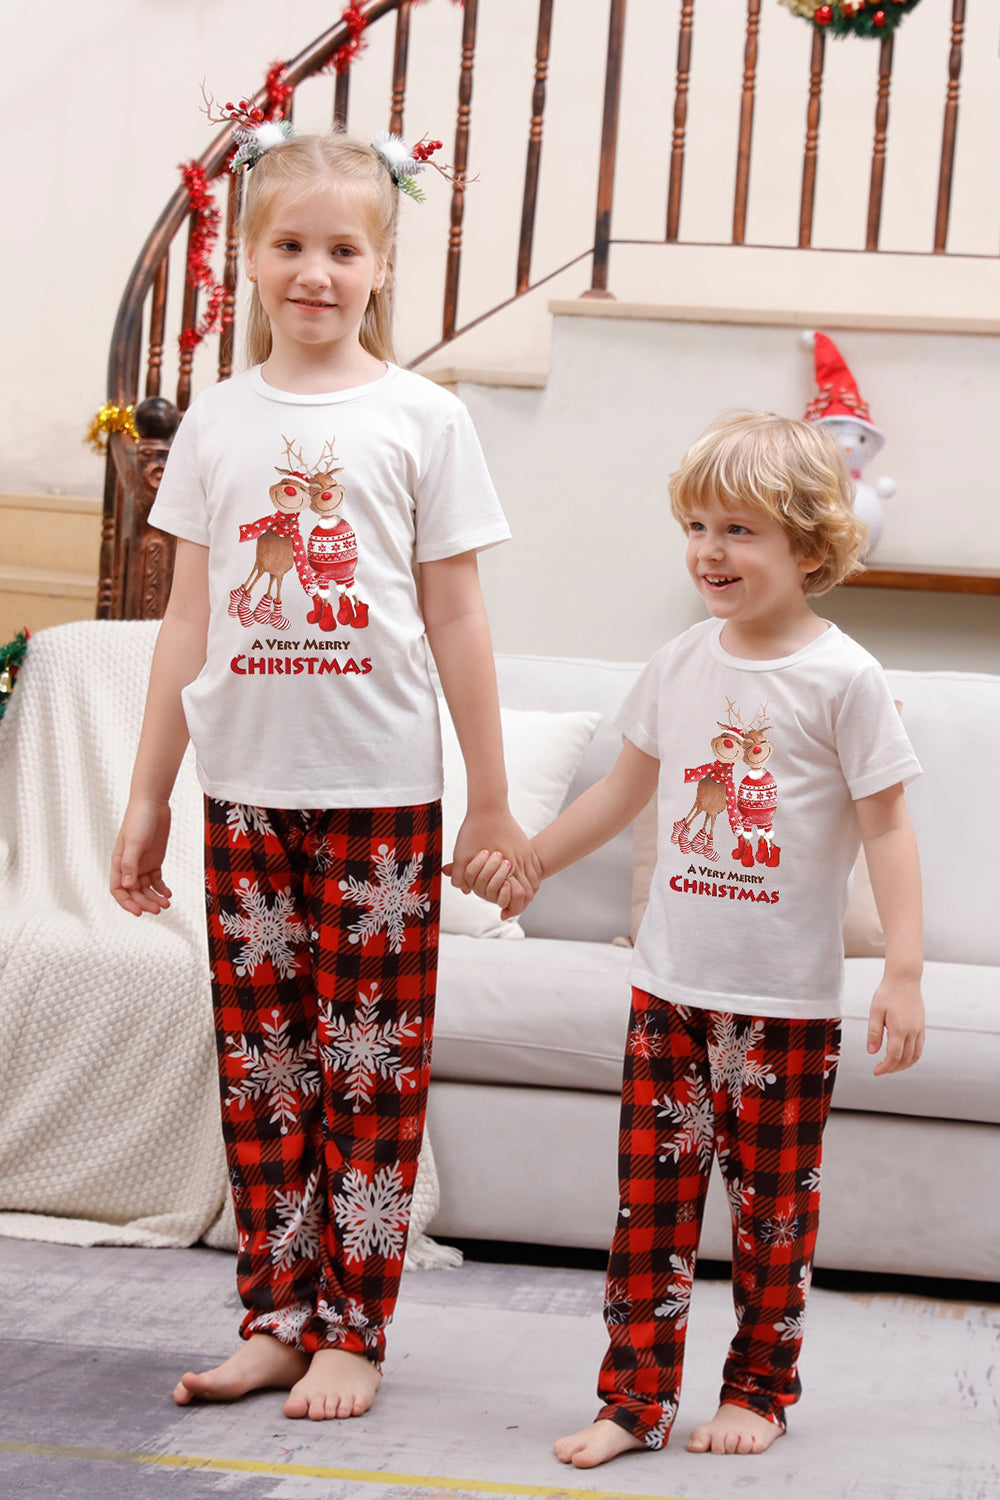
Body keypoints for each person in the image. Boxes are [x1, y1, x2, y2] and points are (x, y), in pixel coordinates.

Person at [110, 128, 538, 1422]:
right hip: (243, 795)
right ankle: (276, 1316)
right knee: (264, 1071)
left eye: (341, 249)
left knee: (369, 1067)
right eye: (289, 246)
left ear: (380, 265)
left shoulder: (423, 419)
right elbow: (187, 619)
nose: (314, 271)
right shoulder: (220, 425)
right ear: (250, 260)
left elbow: (459, 618)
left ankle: (356, 1325)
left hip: (381, 804)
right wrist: (146, 793)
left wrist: (495, 794)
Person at [464, 412, 924, 1465]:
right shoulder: (677, 662)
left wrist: (899, 970)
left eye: (740, 531)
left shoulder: (843, 679)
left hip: (786, 1006)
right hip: (667, 986)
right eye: (696, 526)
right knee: (650, 1209)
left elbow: (887, 825)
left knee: (769, 1216)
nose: (709, 552)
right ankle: (633, 1402)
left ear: (810, 548)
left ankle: (758, 1390)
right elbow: (625, 791)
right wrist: (530, 857)